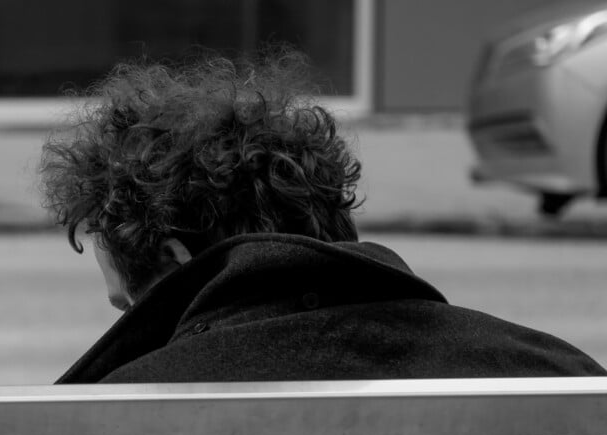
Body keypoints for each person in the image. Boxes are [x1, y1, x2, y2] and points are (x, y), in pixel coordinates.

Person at [40, 52, 606, 383]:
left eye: (131, 305)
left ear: (176, 261)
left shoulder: (115, 417)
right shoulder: (551, 372)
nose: (130, 321)